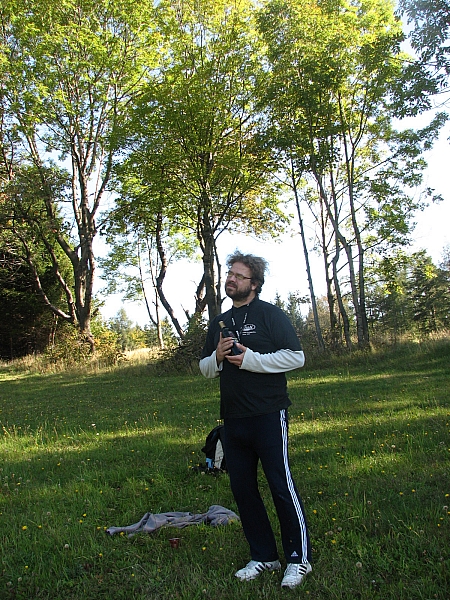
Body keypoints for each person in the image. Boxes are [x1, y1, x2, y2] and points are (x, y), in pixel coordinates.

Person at [199, 251, 312, 589]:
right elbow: (205, 369)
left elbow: (296, 357)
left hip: (268, 414)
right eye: (229, 274)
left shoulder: (270, 315)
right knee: (243, 489)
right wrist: (217, 357)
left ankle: (298, 559)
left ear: (255, 284)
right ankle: (264, 555)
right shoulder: (219, 322)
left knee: (280, 485)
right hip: (233, 419)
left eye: (239, 276)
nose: (231, 279)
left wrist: (252, 360)